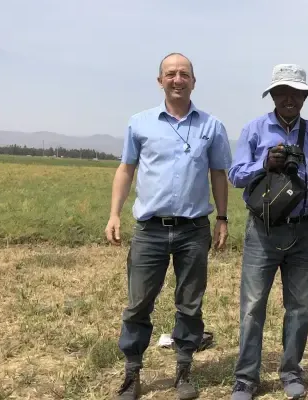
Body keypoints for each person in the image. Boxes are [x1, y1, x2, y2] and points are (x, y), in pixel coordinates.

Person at [106, 52, 233, 400]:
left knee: (190, 303)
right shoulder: (140, 123)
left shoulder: (211, 126)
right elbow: (126, 170)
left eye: (184, 74)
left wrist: (222, 218)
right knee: (138, 304)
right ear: (160, 80)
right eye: (170, 74)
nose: (177, 79)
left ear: (194, 81)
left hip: (194, 230)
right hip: (150, 230)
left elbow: (219, 174)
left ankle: (184, 372)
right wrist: (114, 214)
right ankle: (132, 375)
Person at [228, 63, 308, 400]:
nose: (289, 98)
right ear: (273, 95)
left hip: (304, 231)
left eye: (296, 93)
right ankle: (246, 378)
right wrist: (264, 164)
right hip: (262, 231)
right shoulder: (254, 130)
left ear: (304, 97)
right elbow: (235, 175)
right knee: (252, 306)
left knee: (299, 307)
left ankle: (291, 371)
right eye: (282, 92)